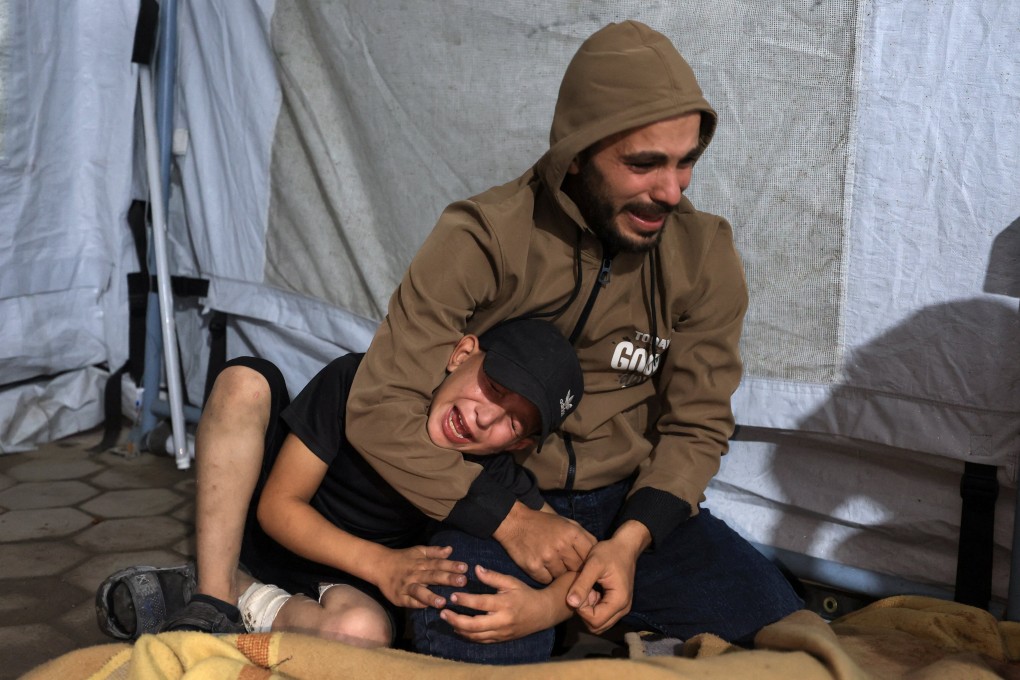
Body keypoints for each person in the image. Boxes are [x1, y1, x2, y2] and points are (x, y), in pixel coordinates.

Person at [343, 20, 805, 663]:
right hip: (491, 495)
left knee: (789, 642)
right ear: (578, 153)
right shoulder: (483, 237)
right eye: (644, 163)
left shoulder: (705, 256)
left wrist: (630, 543)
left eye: (686, 161)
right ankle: (572, 622)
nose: (671, 192)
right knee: (479, 643)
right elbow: (379, 408)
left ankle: (585, 613)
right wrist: (513, 519)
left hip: (628, 512)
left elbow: (696, 428)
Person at [96, 318, 585, 648]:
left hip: (341, 580)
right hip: (265, 530)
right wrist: (384, 563)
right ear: (461, 354)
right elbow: (278, 507)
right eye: (494, 388)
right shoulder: (362, 383)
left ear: (521, 445)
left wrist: (544, 609)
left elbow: (576, 556)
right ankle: (214, 589)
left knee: (365, 633)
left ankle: (236, 600)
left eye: (513, 423)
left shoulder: (494, 473)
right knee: (245, 380)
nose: (484, 418)